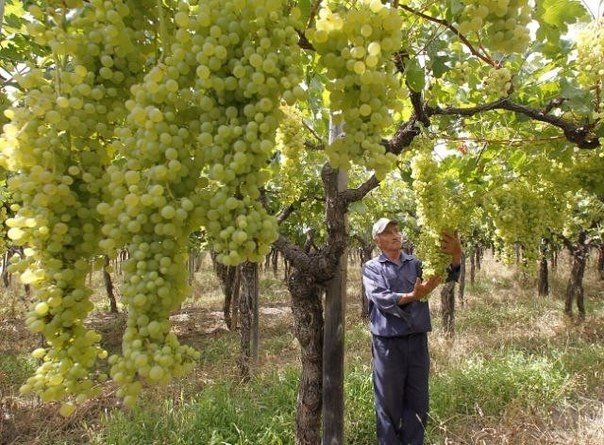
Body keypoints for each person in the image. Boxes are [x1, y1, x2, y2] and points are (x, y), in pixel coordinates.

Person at [362, 217, 462, 445]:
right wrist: (413, 296)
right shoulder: (372, 268)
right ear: (378, 240)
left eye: (396, 230)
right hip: (388, 344)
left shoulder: (416, 263)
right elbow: (381, 298)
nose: (395, 235)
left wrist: (456, 255)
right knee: (388, 404)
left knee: (418, 402)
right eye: (388, 233)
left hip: (417, 341)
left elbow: (447, 274)